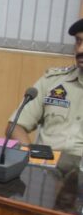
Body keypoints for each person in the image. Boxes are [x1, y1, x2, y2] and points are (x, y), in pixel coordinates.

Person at [9, 18, 83, 152]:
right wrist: (31, 157)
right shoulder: (52, 81)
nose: (80, 49)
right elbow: (15, 127)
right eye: (78, 41)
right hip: (48, 168)